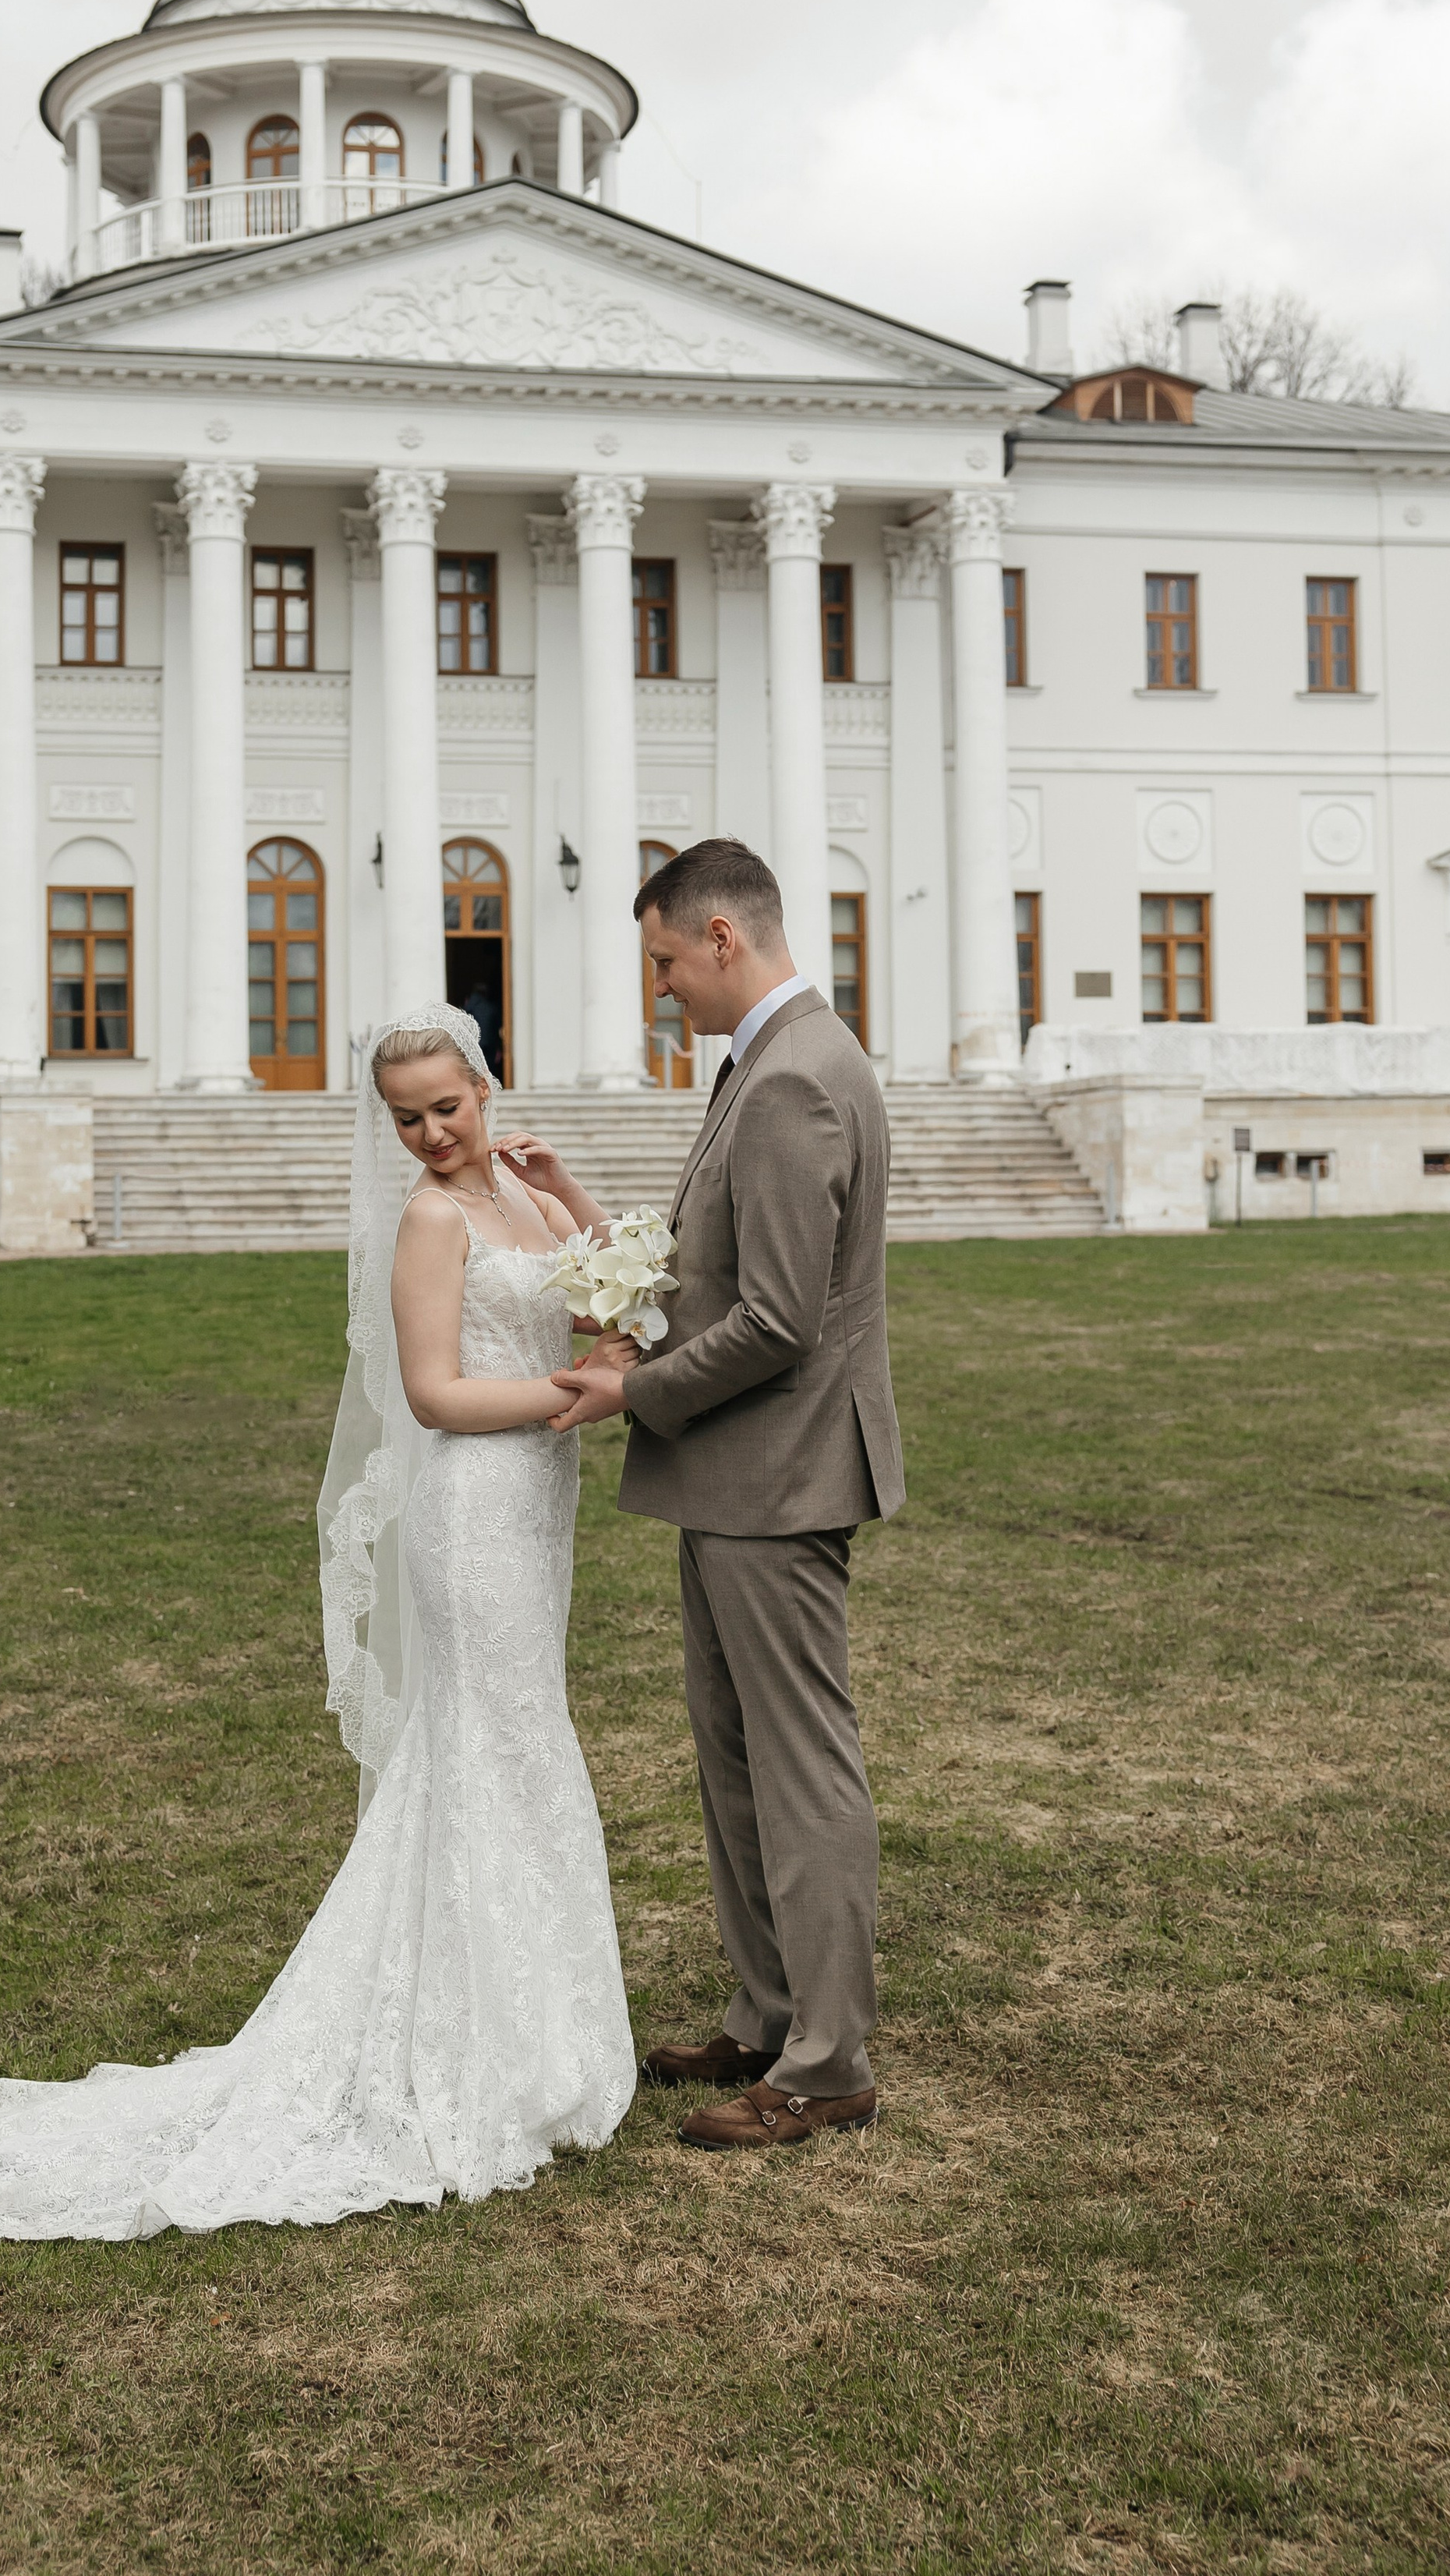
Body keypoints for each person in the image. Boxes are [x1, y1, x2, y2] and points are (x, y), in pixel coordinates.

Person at [0, 1003, 635, 2237]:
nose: (431, 1135)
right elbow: (436, 1393)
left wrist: (568, 1184)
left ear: (487, 1089)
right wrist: (573, 1395)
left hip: (536, 1509)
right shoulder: (430, 1219)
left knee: (521, 1736)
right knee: (492, 1744)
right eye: (406, 1118)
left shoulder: (524, 1193)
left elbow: (621, 1288)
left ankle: (537, 2029)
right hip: (472, 1509)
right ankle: (483, 2051)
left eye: (447, 1108)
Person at [517, 838, 903, 2152]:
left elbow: (782, 1319)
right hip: (739, 1477)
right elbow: (715, 1263)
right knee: (735, 1763)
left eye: (668, 960)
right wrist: (578, 1208)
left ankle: (826, 2064)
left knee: (799, 1773)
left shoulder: (796, 1078)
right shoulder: (770, 1063)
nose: (661, 989)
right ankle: (768, 2014)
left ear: (725, 938)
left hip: (780, 1477)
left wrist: (635, 1391)